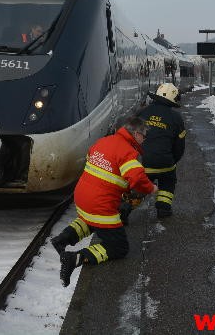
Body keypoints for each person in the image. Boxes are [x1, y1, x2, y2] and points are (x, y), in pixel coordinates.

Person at [50, 117, 158, 287]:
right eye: (144, 136)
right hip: (100, 204)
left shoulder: (104, 140)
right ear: (136, 134)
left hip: (82, 196)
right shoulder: (128, 152)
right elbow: (137, 179)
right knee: (119, 248)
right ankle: (76, 258)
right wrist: (151, 188)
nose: (144, 140)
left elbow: (94, 160)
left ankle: (62, 240)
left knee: (91, 221)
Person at [134, 82, 186, 218]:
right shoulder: (176, 118)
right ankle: (163, 208)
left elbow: (130, 137)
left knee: (140, 186)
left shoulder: (141, 113)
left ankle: (124, 209)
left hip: (143, 163)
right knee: (168, 180)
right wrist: (171, 161)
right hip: (165, 163)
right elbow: (179, 147)